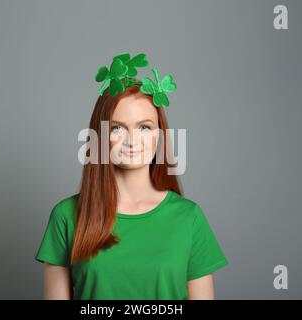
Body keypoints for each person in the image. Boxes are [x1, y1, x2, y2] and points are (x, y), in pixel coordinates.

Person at [35, 52, 229, 300]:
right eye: (117, 128)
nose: (132, 140)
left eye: (144, 127)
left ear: (160, 135)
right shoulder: (66, 216)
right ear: (101, 135)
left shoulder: (189, 218)